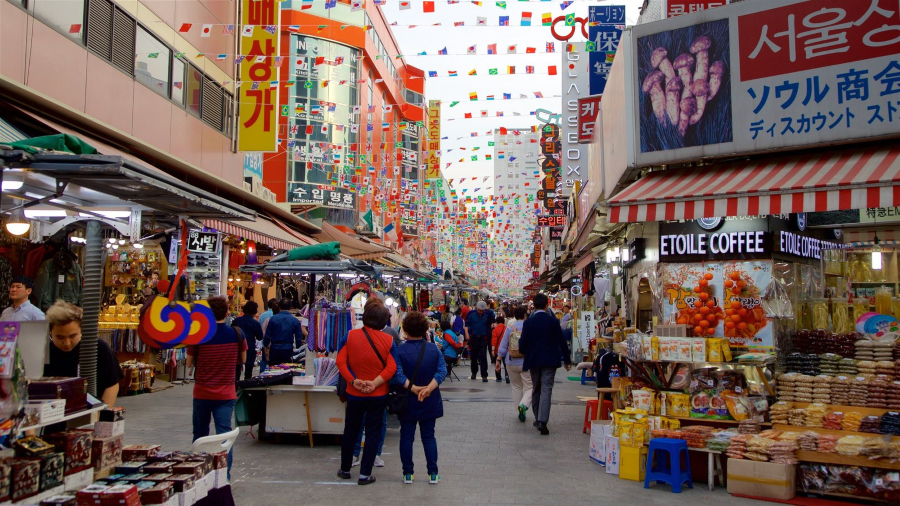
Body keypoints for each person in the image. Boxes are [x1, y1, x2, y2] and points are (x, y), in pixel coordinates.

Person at [186, 296, 247, 477]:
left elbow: (189, 363)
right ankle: (223, 476)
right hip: (226, 393)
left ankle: (199, 474)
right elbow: (243, 359)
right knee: (224, 436)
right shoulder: (237, 334)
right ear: (227, 312)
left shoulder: (199, 334)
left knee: (200, 435)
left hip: (202, 392)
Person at [336, 302, 396, 485]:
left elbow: (340, 361)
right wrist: (375, 383)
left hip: (354, 393)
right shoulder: (389, 340)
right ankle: (364, 474)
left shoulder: (351, 336)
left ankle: (345, 469)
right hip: (378, 394)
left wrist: (353, 381)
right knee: (372, 433)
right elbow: (392, 367)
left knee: (351, 431)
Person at [395, 311, 446, 485]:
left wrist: (414, 389)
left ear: (406, 330)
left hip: (408, 400)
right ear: (425, 329)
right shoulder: (433, 349)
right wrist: (428, 389)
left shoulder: (400, 351)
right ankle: (433, 473)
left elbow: (398, 374)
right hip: (429, 400)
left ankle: (408, 473)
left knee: (406, 437)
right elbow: (442, 371)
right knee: (429, 436)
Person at [44, 301, 123, 407]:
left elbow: (112, 384)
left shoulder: (98, 348)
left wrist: (102, 413)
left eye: (72, 336)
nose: (67, 343)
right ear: (50, 333)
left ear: (81, 330)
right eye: (60, 337)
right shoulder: (45, 352)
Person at [519, 293, 572, 435]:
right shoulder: (553, 321)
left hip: (534, 360)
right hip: (550, 360)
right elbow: (562, 341)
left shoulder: (528, 322)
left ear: (534, 306)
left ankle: (537, 418)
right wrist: (567, 360)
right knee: (546, 389)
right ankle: (543, 421)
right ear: (546, 305)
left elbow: (522, 344)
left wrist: (526, 353)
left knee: (536, 387)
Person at [496, 306, 532, 422]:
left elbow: (503, 345)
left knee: (516, 387)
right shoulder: (529, 327)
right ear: (525, 315)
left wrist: (498, 359)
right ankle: (524, 405)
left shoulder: (510, 328)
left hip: (511, 361)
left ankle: (519, 411)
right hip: (526, 362)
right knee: (530, 386)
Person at [263, 298, 303, 367]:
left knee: (273, 371)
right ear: (290, 308)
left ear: (279, 306)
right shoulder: (295, 320)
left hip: (275, 349)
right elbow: (298, 338)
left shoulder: (273, 319)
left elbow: (267, 334)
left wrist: (266, 345)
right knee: (287, 370)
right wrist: (298, 350)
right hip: (288, 349)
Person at [231, 301, 263, 381]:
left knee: (236, 369)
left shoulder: (237, 321)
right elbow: (260, 337)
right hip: (250, 347)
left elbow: (232, 331)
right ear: (254, 311)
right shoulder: (255, 323)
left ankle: (236, 385)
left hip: (237, 347)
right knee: (248, 371)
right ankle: (246, 387)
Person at [464, 301, 494, 382]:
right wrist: (466, 334)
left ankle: (484, 375)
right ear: (477, 308)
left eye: (482, 310)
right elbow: (466, 325)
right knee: (473, 356)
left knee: (483, 356)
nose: (481, 312)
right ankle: (474, 372)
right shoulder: (471, 314)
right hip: (473, 337)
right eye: (480, 310)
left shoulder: (487, 315)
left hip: (483, 338)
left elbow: (490, 326)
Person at [258, 299, 279, 372]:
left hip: (266, 344)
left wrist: (264, 342)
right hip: (275, 343)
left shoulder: (262, 315)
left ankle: (262, 375)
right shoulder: (277, 317)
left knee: (264, 360)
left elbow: (261, 330)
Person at [491, 316, 508, 383]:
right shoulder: (506, 329)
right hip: (506, 349)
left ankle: (498, 377)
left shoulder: (495, 330)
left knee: (497, 363)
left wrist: (492, 350)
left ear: (497, 322)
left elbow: (494, 341)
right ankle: (507, 375)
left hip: (497, 349)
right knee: (506, 363)